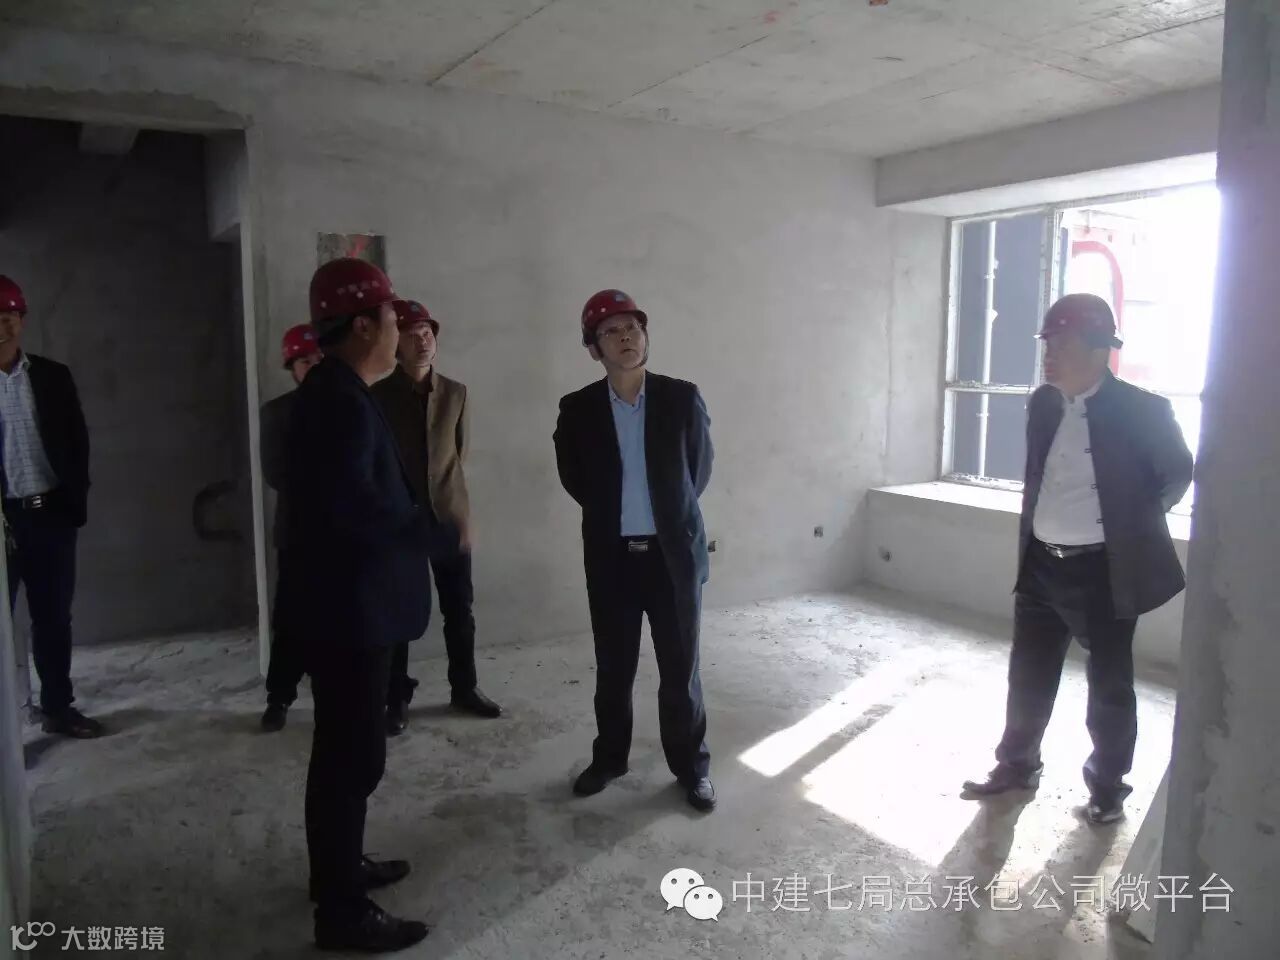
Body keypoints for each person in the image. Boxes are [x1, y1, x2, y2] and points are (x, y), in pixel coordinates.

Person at [963, 293, 1194, 824]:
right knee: (1027, 675)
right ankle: (1017, 766)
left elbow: (1176, 474)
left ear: (1097, 349)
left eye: (1060, 345)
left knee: (1109, 686)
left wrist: (1126, 522)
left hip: (1102, 571)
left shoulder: (1144, 411)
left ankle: (1107, 789)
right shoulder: (1043, 404)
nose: (1049, 356)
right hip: (1041, 563)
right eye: (1047, 344)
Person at [282, 258, 433, 952]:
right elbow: (357, 514)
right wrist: (434, 533)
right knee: (351, 761)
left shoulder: (341, 390)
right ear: (366, 326)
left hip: (347, 609)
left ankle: (337, 872)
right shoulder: (337, 401)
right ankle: (342, 913)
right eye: (394, 317)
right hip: (349, 614)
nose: (401, 329)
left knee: (343, 757)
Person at [553, 289, 716, 812]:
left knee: (681, 670)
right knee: (613, 668)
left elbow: (697, 473)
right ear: (593, 348)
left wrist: (665, 515)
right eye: (611, 331)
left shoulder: (681, 399)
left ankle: (691, 767)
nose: (626, 337)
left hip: (673, 560)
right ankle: (609, 759)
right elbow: (575, 478)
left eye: (633, 327)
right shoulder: (577, 410)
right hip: (613, 560)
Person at [373, 299, 501, 736]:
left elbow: (458, 454)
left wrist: (457, 510)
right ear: (397, 344)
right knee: (399, 615)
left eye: (427, 333)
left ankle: (464, 688)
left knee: (459, 609)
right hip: (399, 523)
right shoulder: (378, 395)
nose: (423, 341)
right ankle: (396, 698)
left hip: (447, 515)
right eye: (412, 335)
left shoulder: (455, 393)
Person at [0, 275, 99, 739]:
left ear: (21, 320)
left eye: (9, 317)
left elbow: (77, 442)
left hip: (50, 517)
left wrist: (73, 504)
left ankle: (59, 709)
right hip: (2, 521)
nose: (3, 327)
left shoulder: (52, 376)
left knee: (54, 620)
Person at [259, 324, 322, 732]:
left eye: (320, 360)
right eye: (305, 361)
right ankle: (279, 697)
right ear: (292, 368)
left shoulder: (356, 405)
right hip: (299, 532)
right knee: (291, 619)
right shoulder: (277, 413)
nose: (313, 367)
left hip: (348, 535)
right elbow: (276, 473)